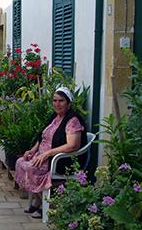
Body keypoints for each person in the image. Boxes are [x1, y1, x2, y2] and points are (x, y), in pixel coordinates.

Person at [14, 87, 87, 219]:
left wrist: (47, 154)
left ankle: (45, 204)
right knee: (20, 162)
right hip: (44, 156)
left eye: (61, 101)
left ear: (69, 103)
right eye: (54, 101)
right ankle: (38, 199)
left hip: (60, 160)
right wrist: (33, 150)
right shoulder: (55, 117)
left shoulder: (73, 120)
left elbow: (73, 145)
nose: (57, 104)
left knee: (31, 168)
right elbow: (42, 137)